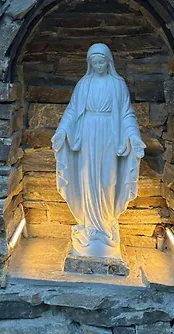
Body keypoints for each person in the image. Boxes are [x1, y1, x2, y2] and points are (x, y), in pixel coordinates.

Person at [51, 43, 146, 260]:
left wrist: (133, 136)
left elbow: (127, 114)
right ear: (89, 64)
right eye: (94, 62)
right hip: (87, 135)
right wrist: (62, 130)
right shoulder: (84, 84)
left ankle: (105, 224)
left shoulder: (117, 84)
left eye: (101, 62)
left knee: (107, 180)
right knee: (87, 178)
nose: (98, 66)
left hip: (109, 135)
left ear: (108, 62)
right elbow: (72, 110)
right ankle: (89, 226)